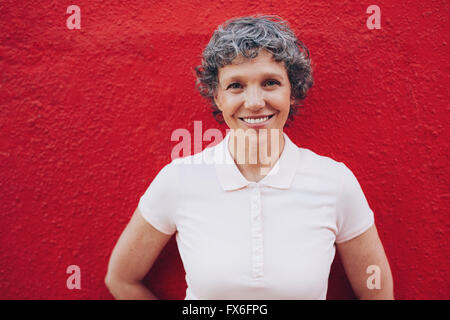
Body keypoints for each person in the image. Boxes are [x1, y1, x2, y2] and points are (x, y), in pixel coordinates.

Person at [105, 15, 394, 300]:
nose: (255, 103)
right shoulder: (179, 180)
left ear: (292, 91)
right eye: (236, 86)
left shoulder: (335, 183)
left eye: (270, 82)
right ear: (218, 97)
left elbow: (377, 293)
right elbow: (121, 279)